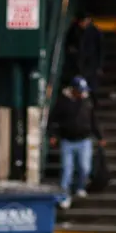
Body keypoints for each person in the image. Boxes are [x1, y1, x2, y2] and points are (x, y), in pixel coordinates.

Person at [49, 76, 104, 209]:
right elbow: (53, 120)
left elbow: (93, 119)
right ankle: (64, 196)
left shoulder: (87, 101)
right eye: (79, 90)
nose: (82, 93)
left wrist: (100, 136)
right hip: (67, 140)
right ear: (73, 89)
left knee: (85, 167)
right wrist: (53, 135)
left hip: (84, 140)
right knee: (67, 169)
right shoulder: (63, 101)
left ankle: (80, 187)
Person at [65, 11, 104, 102]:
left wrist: (99, 65)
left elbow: (100, 49)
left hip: (91, 63)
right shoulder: (74, 30)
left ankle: (91, 105)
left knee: (91, 87)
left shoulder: (95, 31)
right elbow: (69, 45)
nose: (83, 23)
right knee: (78, 86)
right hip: (78, 63)